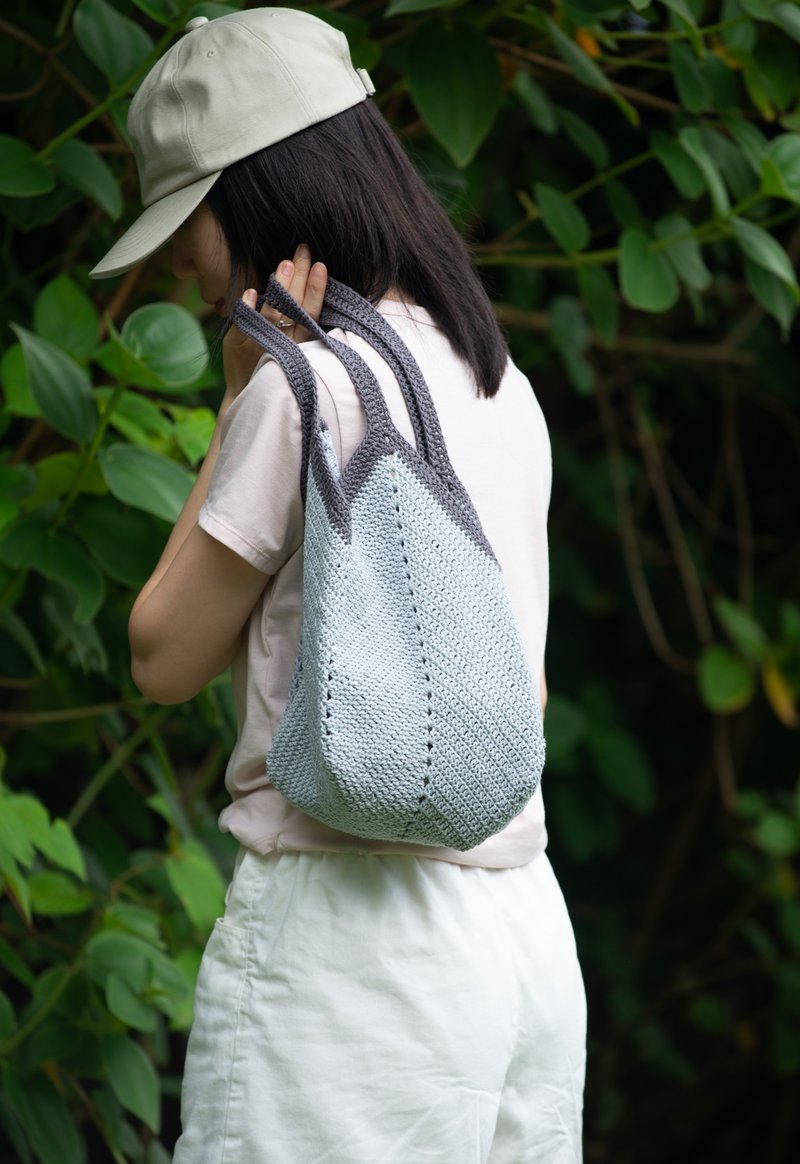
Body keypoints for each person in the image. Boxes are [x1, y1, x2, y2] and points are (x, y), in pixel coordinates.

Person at [90, 8, 587, 1162]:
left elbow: (160, 656)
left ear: (256, 196)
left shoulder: (300, 388)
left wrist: (236, 398)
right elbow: (526, 693)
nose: (183, 262)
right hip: (518, 942)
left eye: (190, 223)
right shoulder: (493, 383)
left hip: (349, 960)